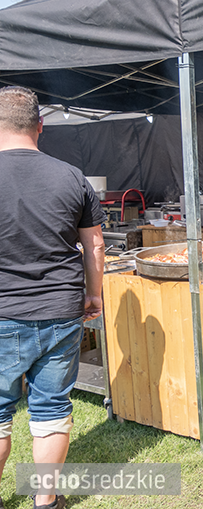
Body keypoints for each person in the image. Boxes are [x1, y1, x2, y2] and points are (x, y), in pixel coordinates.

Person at [0, 86, 105, 509]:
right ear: (40, 127)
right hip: (60, 310)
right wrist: (94, 295)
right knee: (50, 408)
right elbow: (94, 245)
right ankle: (46, 499)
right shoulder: (71, 176)